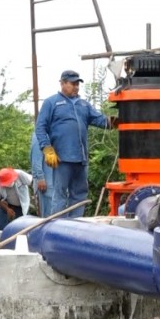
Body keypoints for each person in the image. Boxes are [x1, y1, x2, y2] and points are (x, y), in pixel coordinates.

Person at [34, 69, 110, 218]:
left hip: (81, 159)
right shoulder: (51, 102)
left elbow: (102, 121)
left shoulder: (83, 104)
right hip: (62, 158)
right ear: (62, 83)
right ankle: (57, 228)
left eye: (77, 84)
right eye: (72, 83)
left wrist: (120, 119)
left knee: (79, 194)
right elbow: (40, 127)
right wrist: (47, 149)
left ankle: (75, 228)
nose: (76, 87)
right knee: (60, 194)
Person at [29, 133, 54, 217]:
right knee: (48, 217)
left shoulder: (54, 132)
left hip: (56, 183)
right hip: (46, 184)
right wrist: (40, 177)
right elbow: (36, 159)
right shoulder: (39, 134)